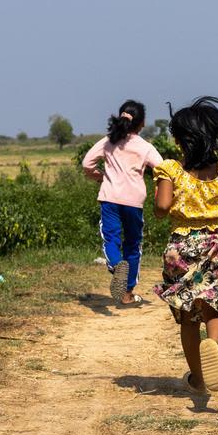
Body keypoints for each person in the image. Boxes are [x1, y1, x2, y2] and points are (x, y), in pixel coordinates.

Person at [152, 97, 218, 408]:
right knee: (215, 307)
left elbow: (163, 208)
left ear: (181, 139)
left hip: (181, 249)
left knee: (189, 318)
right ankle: (214, 346)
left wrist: (158, 201)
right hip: (216, 246)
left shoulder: (171, 169)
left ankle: (199, 379)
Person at [80, 100, 161, 305]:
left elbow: (87, 163)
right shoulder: (145, 147)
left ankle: (116, 265)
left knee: (111, 238)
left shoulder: (108, 141)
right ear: (142, 123)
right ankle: (127, 294)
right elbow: (162, 168)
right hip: (134, 201)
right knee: (133, 245)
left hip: (110, 198)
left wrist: (100, 176)